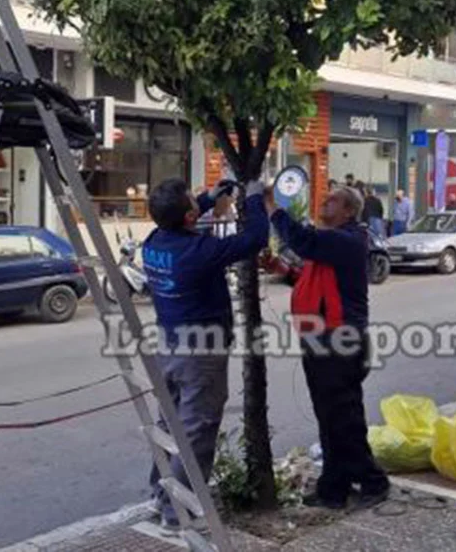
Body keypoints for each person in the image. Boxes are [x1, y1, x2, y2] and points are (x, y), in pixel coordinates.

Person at [140, 178, 269, 532]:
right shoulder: (200, 252)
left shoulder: (154, 242)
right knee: (197, 428)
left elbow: (179, 215)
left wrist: (209, 199)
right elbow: (255, 239)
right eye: (193, 204)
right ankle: (178, 513)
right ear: (188, 216)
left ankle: (159, 494)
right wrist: (255, 199)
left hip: (168, 343)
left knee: (170, 422)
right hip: (200, 350)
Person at [266, 185, 391, 510]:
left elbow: (302, 240)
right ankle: (333, 488)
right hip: (319, 340)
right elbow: (312, 281)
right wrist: (283, 270)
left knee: (344, 419)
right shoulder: (331, 244)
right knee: (330, 417)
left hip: (339, 341)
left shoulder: (346, 240)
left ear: (349, 211)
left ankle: (373, 482)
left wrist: (272, 208)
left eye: (333, 199)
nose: (324, 200)